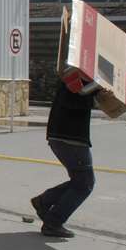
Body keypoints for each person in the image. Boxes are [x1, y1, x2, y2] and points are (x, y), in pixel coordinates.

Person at [31, 77, 111, 238]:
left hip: (64, 137)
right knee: (84, 184)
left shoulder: (75, 73)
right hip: (70, 139)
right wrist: (97, 87)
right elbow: (76, 98)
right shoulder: (76, 74)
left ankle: (44, 201)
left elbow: (79, 96)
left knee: (79, 180)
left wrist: (96, 89)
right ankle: (53, 222)